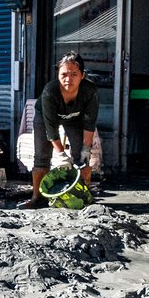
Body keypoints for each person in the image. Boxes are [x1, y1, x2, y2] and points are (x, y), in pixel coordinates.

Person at [19, 52, 99, 209]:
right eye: (64, 74)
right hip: (45, 119)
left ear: (82, 75)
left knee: (82, 159)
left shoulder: (90, 91)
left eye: (74, 74)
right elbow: (51, 129)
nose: (68, 79)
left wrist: (86, 149)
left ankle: (82, 196)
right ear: (58, 74)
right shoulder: (50, 91)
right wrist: (62, 155)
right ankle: (37, 198)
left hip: (75, 120)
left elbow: (89, 124)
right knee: (41, 156)